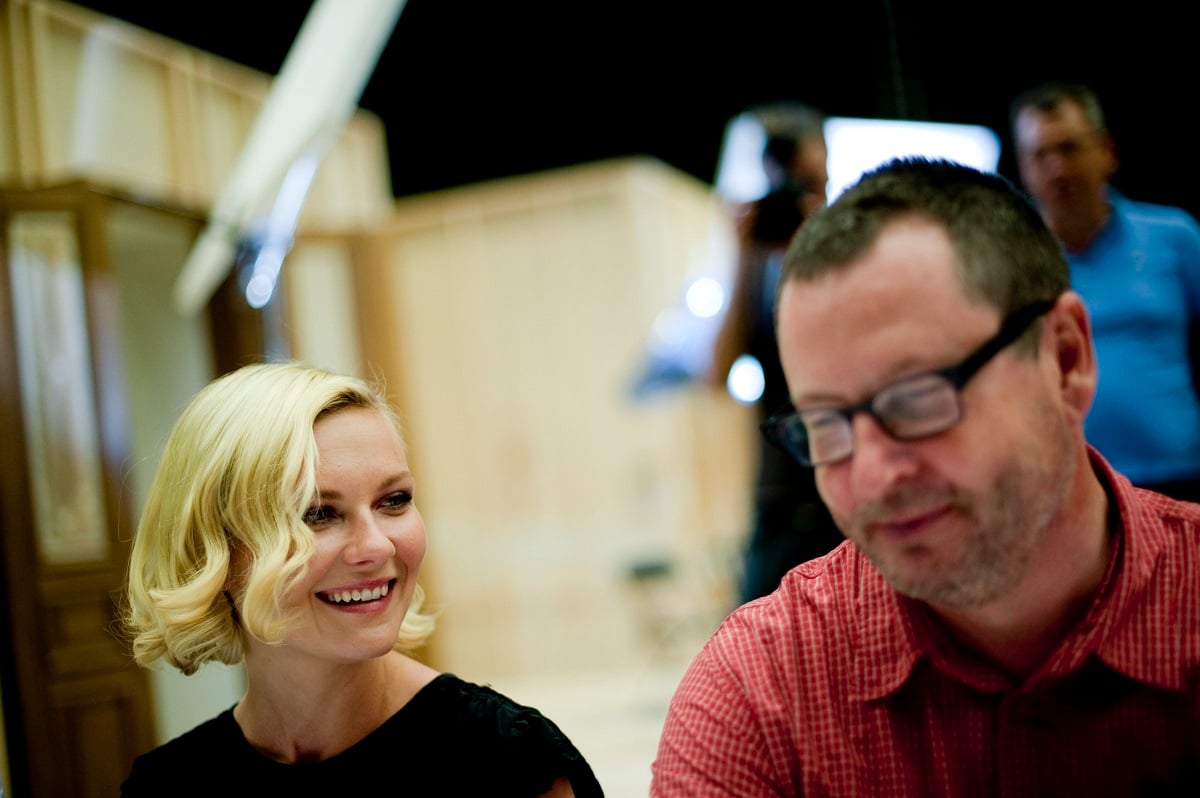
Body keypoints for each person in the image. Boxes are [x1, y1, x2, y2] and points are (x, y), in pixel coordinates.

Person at [650, 157, 1200, 795]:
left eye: (916, 399)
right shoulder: (766, 692)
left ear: (1065, 359)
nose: (876, 476)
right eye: (827, 426)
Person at [120, 361, 604, 797]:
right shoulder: (166, 784)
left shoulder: (509, 764)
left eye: (393, 501)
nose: (376, 546)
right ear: (217, 550)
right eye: (318, 513)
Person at [1011, 82, 1200, 502]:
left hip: (1183, 477)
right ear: (1023, 169)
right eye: (1041, 155)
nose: (1058, 168)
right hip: (1074, 490)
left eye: (1070, 148)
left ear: (1106, 151)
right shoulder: (1011, 263)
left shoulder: (1176, 237)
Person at [707, 101, 842, 605]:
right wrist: (741, 253)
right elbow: (717, 372)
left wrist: (819, 244)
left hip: (845, 480)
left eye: (806, 185)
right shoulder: (758, 262)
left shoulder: (848, 252)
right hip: (780, 493)